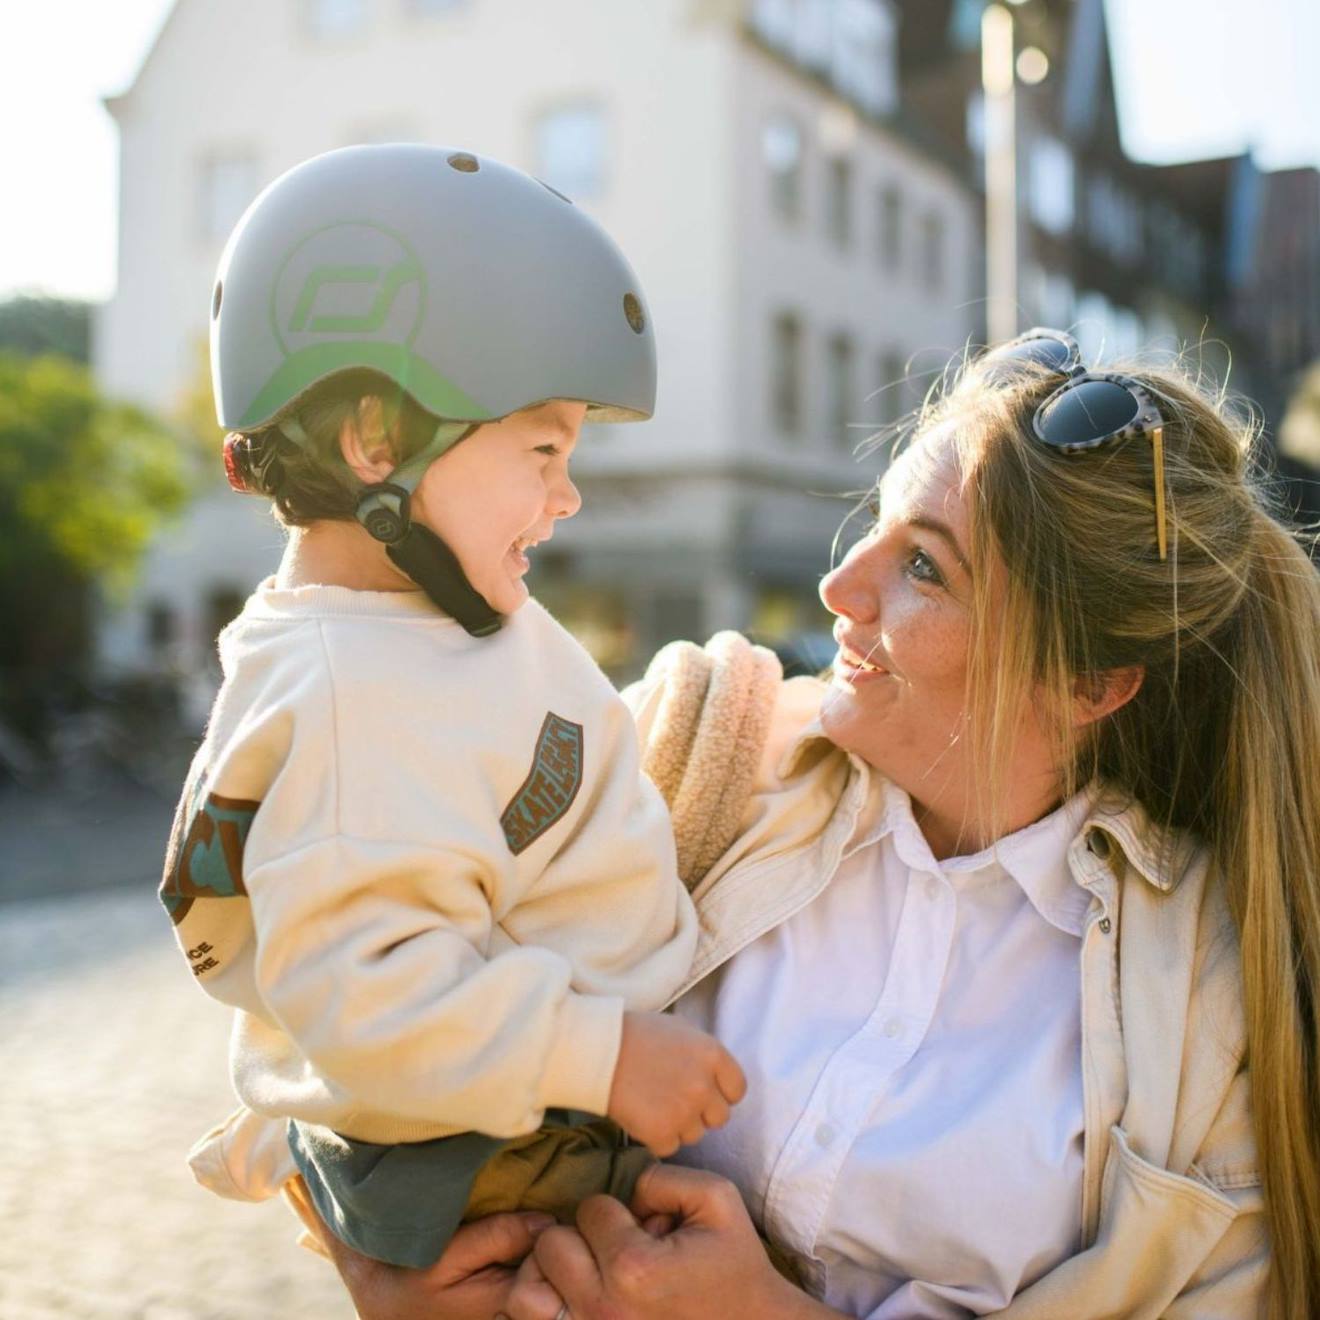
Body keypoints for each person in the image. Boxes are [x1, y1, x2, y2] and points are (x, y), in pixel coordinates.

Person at [315, 328, 1320, 1320]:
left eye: (925, 568)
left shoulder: (1205, 992)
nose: (839, 589)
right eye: (876, 526)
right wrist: (377, 1266)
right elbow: (322, 945)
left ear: (1088, 682)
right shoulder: (685, 751)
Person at [158, 143, 757, 1273]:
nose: (566, 493)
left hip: (528, 1108)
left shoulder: (418, 626)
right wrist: (606, 1054)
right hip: (512, 1150)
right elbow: (368, 994)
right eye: (541, 448)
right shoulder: (354, 698)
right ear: (378, 443)